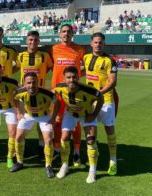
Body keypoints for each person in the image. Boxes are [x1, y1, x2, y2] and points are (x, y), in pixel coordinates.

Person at [53, 66, 104, 183]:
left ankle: (92, 170)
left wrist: (94, 114)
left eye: (74, 77)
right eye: (68, 77)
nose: (71, 80)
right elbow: (53, 93)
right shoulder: (59, 87)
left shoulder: (89, 90)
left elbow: (100, 97)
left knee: (91, 141)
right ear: (64, 78)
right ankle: (64, 165)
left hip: (87, 115)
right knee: (64, 137)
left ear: (79, 77)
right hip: (71, 114)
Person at [10, 72, 60, 178]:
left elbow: (57, 103)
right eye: (28, 83)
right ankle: (19, 162)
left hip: (44, 116)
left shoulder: (47, 94)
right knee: (18, 137)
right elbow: (13, 98)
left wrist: (53, 117)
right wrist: (19, 112)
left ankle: (48, 165)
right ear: (24, 83)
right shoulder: (19, 92)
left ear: (37, 82)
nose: (31, 85)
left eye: (33, 82)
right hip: (28, 115)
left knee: (48, 139)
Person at [50, 24, 86, 167]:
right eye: (63, 32)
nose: (66, 34)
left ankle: (76, 152)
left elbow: (87, 68)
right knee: (57, 122)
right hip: (58, 92)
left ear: (72, 34)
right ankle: (57, 149)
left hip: (73, 92)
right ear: (60, 34)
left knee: (76, 124)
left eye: (68, 32)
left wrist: (77, 78)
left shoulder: (80, 50)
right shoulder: (53, 49)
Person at [83, 32, 118, 176]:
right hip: (89, 102)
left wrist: (99, 94)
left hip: (106, 101)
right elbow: (83, 72)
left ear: (104, 44)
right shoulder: (86, 57)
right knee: (91, 134)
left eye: (101, 42)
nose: (98, 45)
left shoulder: (110, 61)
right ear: (91, 43)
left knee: (109, 131)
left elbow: (113, 81)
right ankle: (93, 164)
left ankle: (113, 160)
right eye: (96, 42)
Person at [15, 30, 53, 159]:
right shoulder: (20, 56)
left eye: (36, 40)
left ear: (39, 41)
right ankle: (21, 149)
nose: (33, 42)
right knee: (21, 120)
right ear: (26, 41)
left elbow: (49, 68)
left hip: (41, 94)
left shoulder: (45, 56)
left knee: (41, 123)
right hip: (24, 95)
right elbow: (17, 68)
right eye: (30, 40)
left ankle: (41, 148)